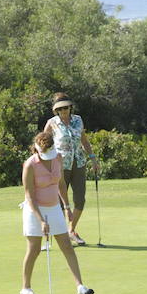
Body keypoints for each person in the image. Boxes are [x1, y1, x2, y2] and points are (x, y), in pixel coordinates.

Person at [20, 131, 94, 294]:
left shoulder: (57, 158)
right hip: (34, 211)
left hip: (54, 208)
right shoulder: (30, 165)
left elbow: (60, 183)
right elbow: (29, 196)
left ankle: (80, 287)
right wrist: (41, 220)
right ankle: (25, 289)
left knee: (67, 246)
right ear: (38, 150)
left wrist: (67, 206)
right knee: (34, 249)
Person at [43, 92, 100, 246]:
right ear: (56, 111)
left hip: (79, 163)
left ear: (70, 107)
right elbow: (43, 145)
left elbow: (84, 140)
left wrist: (93, 158)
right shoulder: (52, 123)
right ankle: (60, 234)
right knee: (59, 203)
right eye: (60, 109)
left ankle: (71, 230)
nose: (63, 111)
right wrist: (44, 164)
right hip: (59, 166)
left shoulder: (78, 120)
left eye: (66, 108)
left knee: (80, 200)